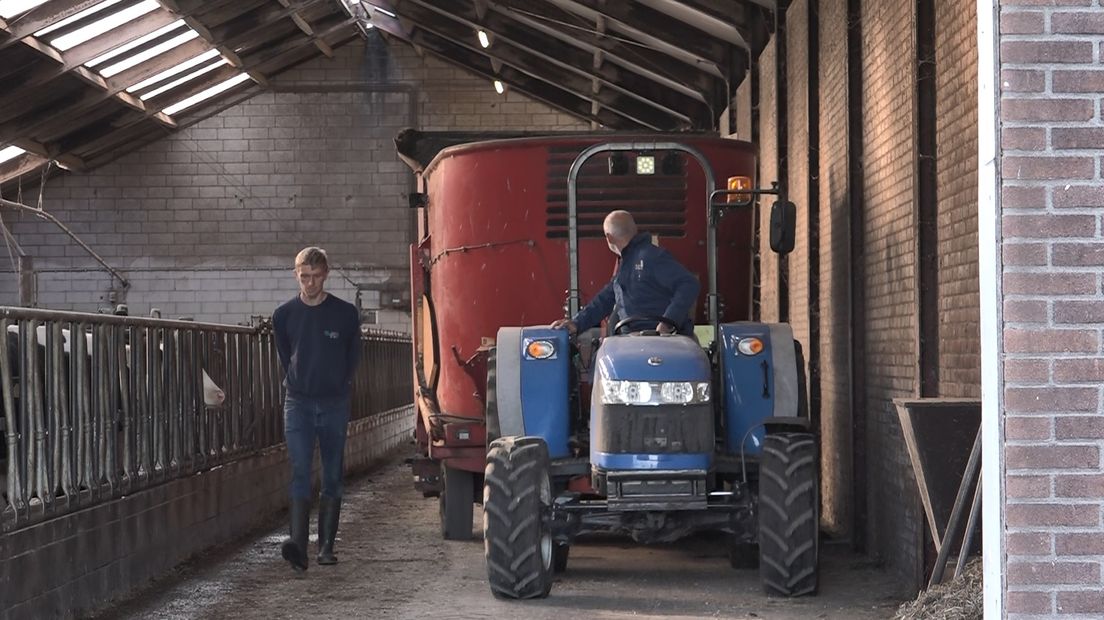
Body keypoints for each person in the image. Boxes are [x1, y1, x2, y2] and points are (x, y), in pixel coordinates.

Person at [273, 247, 361, 573]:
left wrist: (339, 385)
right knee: (299, 469)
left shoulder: (345, 314)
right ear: (296, 275)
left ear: (326, 274)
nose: (310, 283)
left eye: (316, 276)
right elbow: (286, 354)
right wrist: (300, 381)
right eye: (304, 276)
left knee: (333, 472)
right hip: (298, 401)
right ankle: (298, 547)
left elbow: (353, 357)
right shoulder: (283, 315)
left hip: (334, 402)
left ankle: (326, 546)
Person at [552, 210, 700, 337]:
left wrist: (667, 323)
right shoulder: (628, 265)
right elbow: (606, 298)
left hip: (661, 340)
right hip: (633, 341)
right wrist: (577, 323)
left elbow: (689, 284)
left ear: (609, 238)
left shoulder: (651, 257)